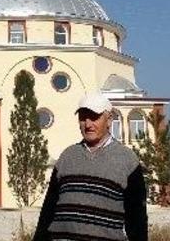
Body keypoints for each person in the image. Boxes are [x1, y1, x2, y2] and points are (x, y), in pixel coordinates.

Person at [33, 92, 148, 241]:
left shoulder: (127, 161)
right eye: (83, 118)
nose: (88, 124)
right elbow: (48, 210)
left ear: (109, 120)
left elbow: (137, 220)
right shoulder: (67, 157)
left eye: (94, 117)